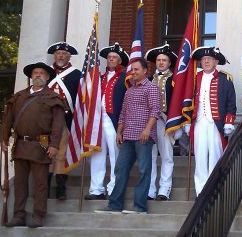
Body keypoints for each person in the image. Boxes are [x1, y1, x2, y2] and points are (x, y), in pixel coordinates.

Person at [1, 62, 66, 228]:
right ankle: (19, 216)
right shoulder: (19, 97)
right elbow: (8, 119)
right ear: (31, 76)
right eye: (35, 73)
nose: (38, 75)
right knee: (20, 183)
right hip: (21, 144)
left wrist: (54, 145)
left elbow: (58, 124)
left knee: (40, 183)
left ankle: (38, 215)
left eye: (41, 73)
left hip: (42, 145)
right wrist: (4, 138)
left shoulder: (53, 98)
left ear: (47, 77)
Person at [95, 58, 160, 214]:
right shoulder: (129, 90)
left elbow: (155, 111)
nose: (134, 72)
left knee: (144, 170)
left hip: (143, 137)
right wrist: (119, 131)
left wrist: (147, 130)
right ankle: (115, 205)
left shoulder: (151, 88)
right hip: (127, 136)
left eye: (137, 69)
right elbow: (123, 114)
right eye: (132, 69)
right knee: (120, 169)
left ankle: (139, 207)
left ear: (145, 71)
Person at [187, 46, 236, 196]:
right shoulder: (195, 78)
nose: (206, 61)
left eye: (209, 59)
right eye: (203, 59)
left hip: (216, 123)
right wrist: (187, 121)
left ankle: (214, 189)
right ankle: (200, 191)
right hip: (199, 121)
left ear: (216, 62)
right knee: (200, 156)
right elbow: (188, 100)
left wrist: (229, 121)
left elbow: (230, 102)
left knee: (216, 155)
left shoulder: (225, 79)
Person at [85, 42, 128, 200]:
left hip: (113, 119)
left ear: (119, 61)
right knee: (97, 153)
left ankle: (114, 187)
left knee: (115, 155)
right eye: (109, 57)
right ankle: (96, 189)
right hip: (98, 118)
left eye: (114, 57)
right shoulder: (99, 77)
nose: (111, 59)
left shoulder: (125, 78)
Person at [145, 44, 181, 201]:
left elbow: (178, 101)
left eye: (164, 60)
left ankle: (164, 189)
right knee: (150, 156)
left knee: (166, 156)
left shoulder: (175, 80)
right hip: (149, 123)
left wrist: (177, 122)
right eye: (158, 60)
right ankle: (150, 190)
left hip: (165, 121)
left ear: (169, 63)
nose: (160, 62)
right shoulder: (148, 79)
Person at [47, 41, 81, 200]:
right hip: (45, 121)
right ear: (55, 55)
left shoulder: (76, 74)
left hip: (66, 120)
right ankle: (45, 186)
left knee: (61, 155)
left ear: (69, 56)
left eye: (64, 54)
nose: (61, 56)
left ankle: (60, 188)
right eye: (58, 53)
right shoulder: (46, 73)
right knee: (45, 154)